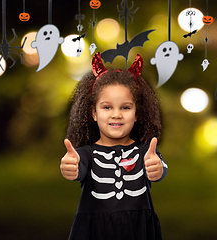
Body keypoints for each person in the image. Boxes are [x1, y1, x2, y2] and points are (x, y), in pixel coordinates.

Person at [60, 52, 168, 240]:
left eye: (125, 107)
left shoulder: (145, 151)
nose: (116, 114)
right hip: (95, 232)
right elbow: (77, 168)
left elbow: (160, 167)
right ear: (93, 113)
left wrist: (157, 170)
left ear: (137, 114)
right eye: (107, 107)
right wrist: (71, 167)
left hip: (138, 231)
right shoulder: (86, 154)